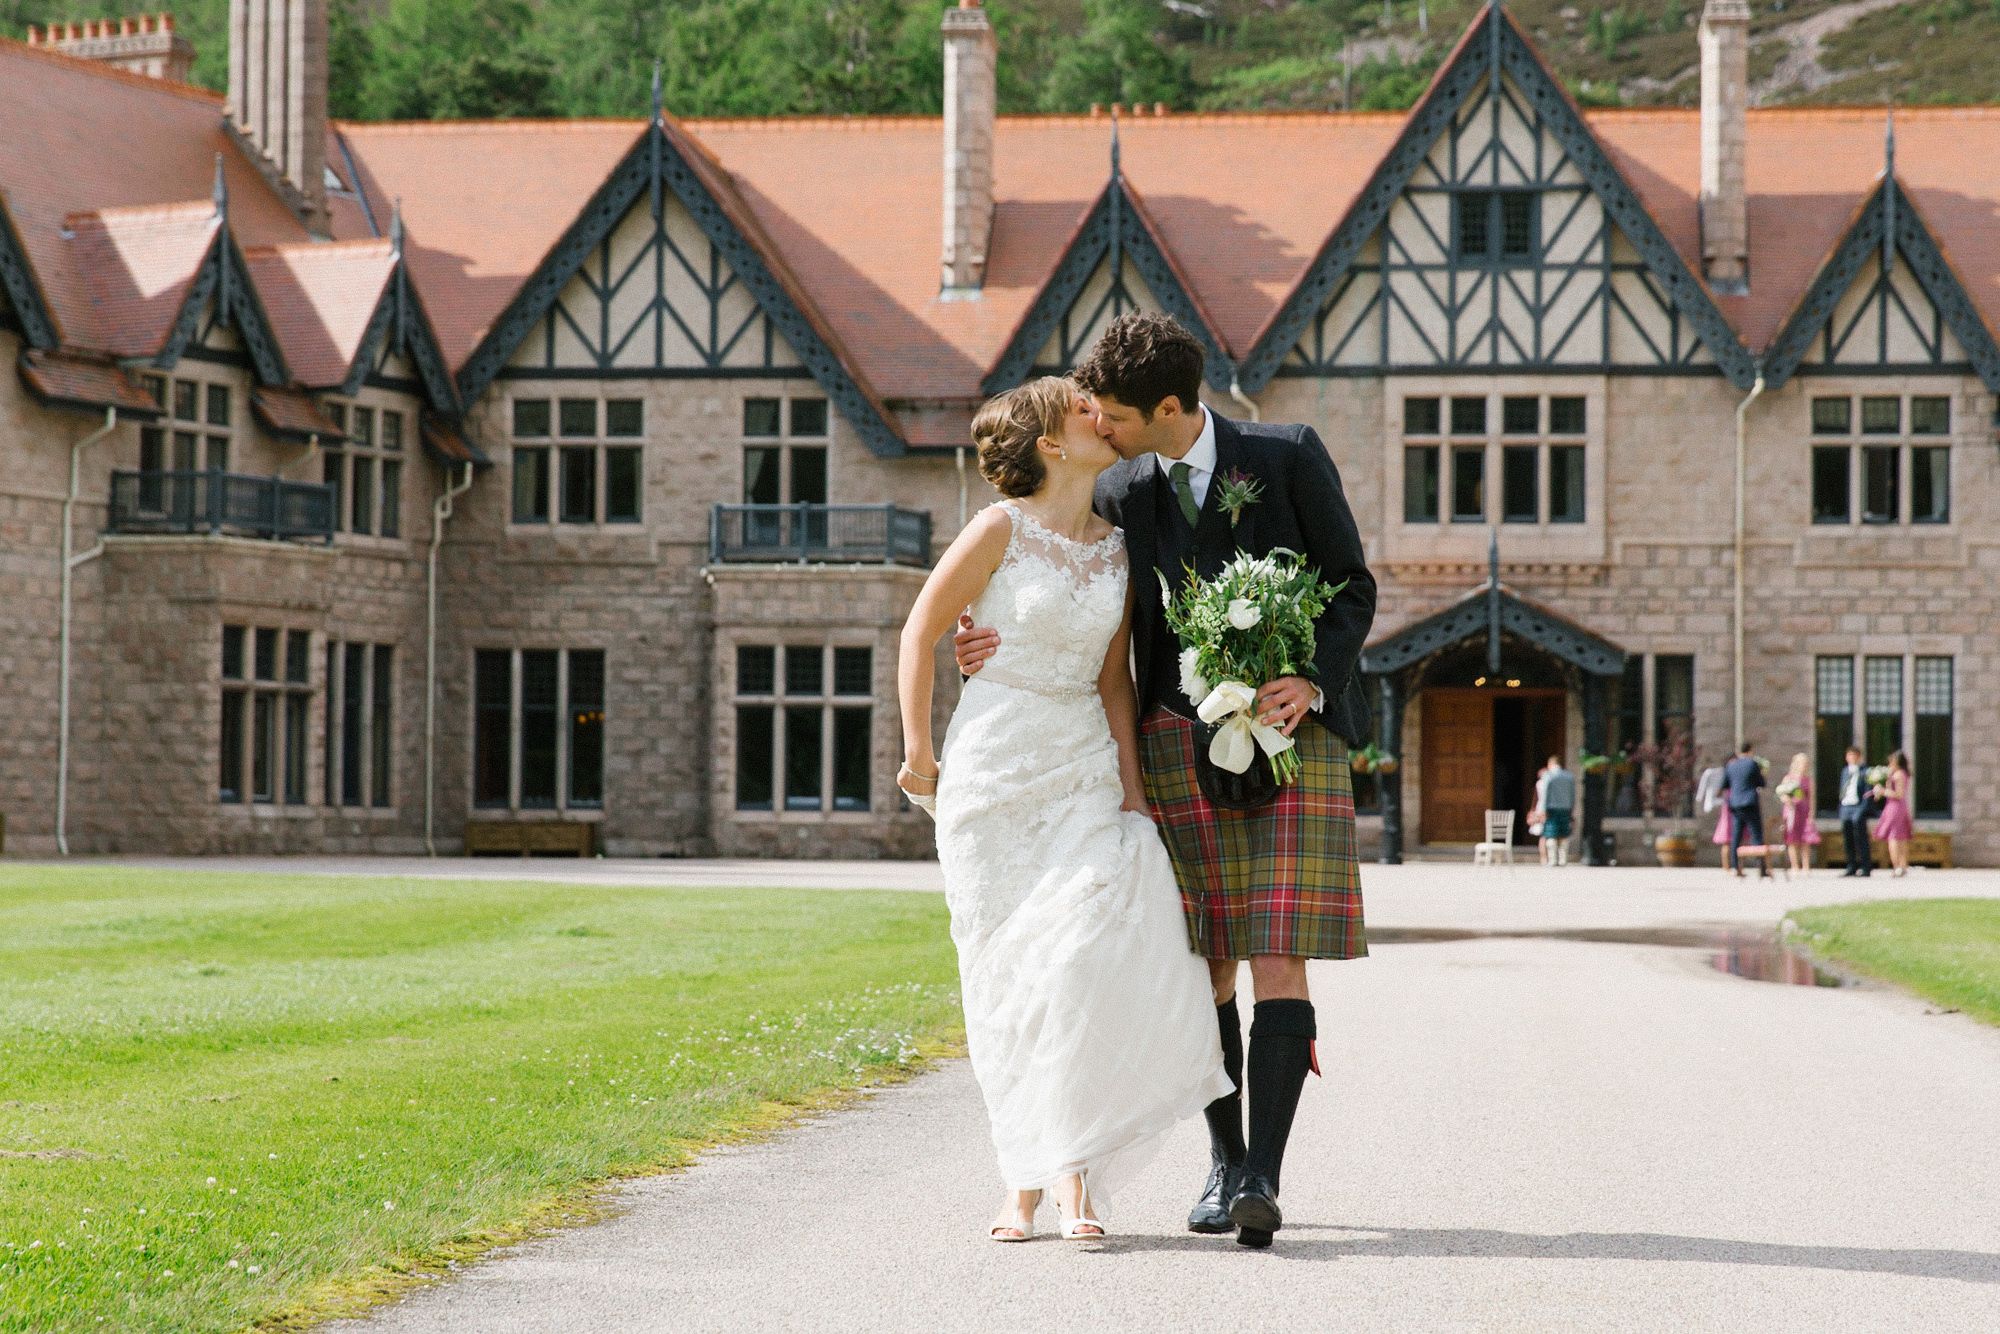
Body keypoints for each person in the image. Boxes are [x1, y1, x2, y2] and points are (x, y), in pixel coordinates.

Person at [955, 313, 1377, 1249]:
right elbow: (1058, 587)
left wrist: (1312, 678)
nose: (1099, 423)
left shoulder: (1286, 456)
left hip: (1292, 735)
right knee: (1205, 962)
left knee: (1278, 953)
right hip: (1172, 745)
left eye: (1115, 411)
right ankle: (1224, 1165)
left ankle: (1263, 1175)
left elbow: (1352, 584)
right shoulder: (1120, 490)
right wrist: (981, 637)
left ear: (1174, 408)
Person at [895, 376, 1230, 1243]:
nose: (1099, 413)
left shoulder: (1119, 549)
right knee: (1009, 984)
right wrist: (920, 751)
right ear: (1049, 440)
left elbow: (1115, 679)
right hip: (993, 777)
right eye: (1082, 406)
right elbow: (920, 630)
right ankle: (1023, 1180)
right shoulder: (998, 527)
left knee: (1078, 964)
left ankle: (1077, 1173)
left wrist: (1131, 789)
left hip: (1082, 767)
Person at [1722, 741, 1770, 879]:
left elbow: (1725, 784)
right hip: (1749, 802)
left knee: (1736, 836)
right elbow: (1761, 782)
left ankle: (1736, 867)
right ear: (1750, 750)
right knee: (1756, 834)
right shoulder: (1752, 763)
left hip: (1735, 804)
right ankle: (1760, 867)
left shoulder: (1731, 765)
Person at [1871, 750, 1915, 877]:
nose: (1889, 764)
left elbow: (1899, 794)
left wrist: (1883, 791)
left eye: (1892, 761)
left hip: (1895, 807)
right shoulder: (1895, 774)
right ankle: (1902, 866)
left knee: (1894, 837)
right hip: (1894, 806)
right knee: (1900, 837)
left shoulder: (1899, 775)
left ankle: (1897, 866)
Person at [1778, 752, 1820, 875]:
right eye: (1802, 763)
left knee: (1805, 839)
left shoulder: (1808, 780)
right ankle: (1794, 866)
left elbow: (1811, 798)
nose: (1804, 766)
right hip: (1791, 811)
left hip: (1804, 811)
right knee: (1792, 839)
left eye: (1806, 764)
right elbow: (1782, 794)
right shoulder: (1788, 778)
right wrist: (1786, 799)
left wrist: (1811, 814)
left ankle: (1806, 866)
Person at [1836, 746, 1873, 877]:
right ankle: (1851, 866)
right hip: (1846, 806)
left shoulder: (1865, 771)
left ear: (1858, 757)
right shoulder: (1845, 771)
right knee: (1848, 838)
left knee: (1861, 837)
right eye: (1849, 755)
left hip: (1858, 806)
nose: (1851, 758)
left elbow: (1868, 792)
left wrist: (1863, 808)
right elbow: (1842, 789)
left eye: (1854, 755)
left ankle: (1865, 867)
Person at [1537, 756, 1576, 867]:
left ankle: (1553, 860)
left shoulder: (1548, 776)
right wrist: (1572, 809)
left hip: (1551, 809)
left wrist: (1543, 810)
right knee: (1564, 834)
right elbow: (1573, 796)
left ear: (1550, 764)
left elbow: (1545, 795)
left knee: (1551, 834)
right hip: (1566, 809)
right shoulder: (1569, 777)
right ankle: (1563, 860)